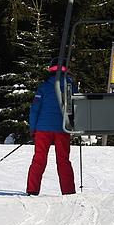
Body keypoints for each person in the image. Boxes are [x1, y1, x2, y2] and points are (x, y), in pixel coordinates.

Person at [26, 63, 77, 196]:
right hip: (63, 128)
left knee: (39, 159)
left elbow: (35, 109)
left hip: (42, 128)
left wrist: (32, 128)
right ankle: (68, 191)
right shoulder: (71, 87)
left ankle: (32, 189)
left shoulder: (44, 87)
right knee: (63, 160)